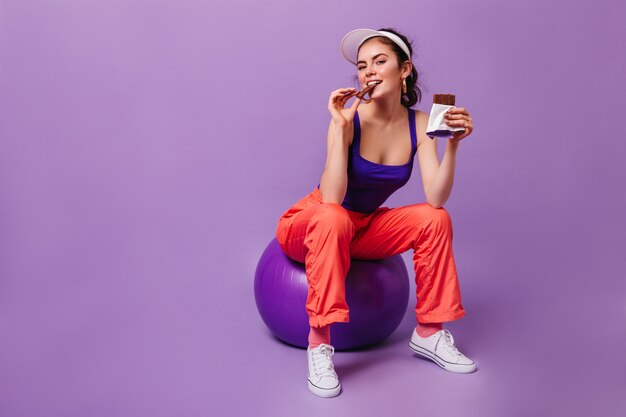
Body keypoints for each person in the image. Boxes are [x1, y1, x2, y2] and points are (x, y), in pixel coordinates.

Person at [274, 28, 476, 398]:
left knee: (436, 219)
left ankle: (429, 332)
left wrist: (454, 148)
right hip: (312, 222)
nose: (368, 71)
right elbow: (332, 198)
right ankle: (318, 344)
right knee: (334, 216)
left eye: (380, 61)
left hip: (361, 227)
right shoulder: (348, 118)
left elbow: (436, 198)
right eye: (362, 66)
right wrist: (339, 128)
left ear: (405, 69)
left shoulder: (421, 123)